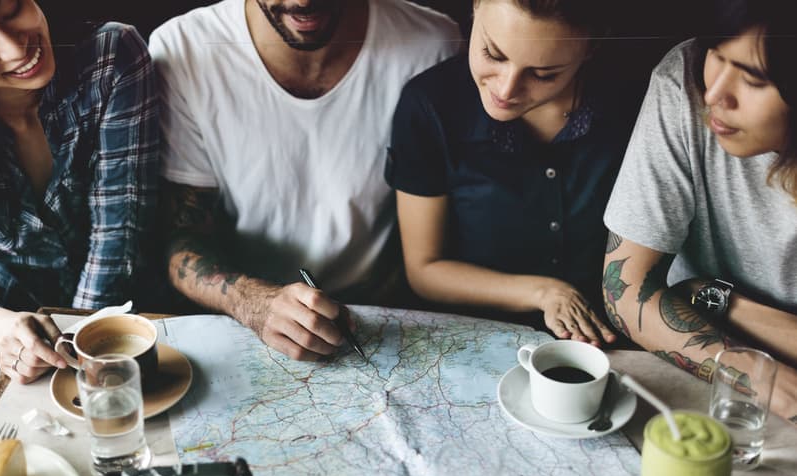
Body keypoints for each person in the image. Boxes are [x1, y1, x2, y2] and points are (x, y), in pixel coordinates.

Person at [149, 0, 460, 362]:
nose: (303, 2)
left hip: (383, 324)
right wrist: (256, 303)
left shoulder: (432, 44)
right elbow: (180, 239)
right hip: (245, 323)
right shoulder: (184, 48)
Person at [0, 0, 159, 444]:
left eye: (11, 9)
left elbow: (117, 238)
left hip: (109, 319)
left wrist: (70, 350)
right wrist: (4, 329)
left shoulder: (111, 55)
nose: (14, 47)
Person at [386, 0, 641, 345]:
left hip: (606, 344)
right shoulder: (430, 105)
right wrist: (545, 293)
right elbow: (425, 270)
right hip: (476, 340)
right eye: (493, 54)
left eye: (543, 74)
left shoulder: (634, 101)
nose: (505, 91)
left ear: (591, 48)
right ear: (476, 6)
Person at [602, 0, 797, 422]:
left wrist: (718, 300)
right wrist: (753, 374)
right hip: (720, 391)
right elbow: (624, 290)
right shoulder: (684, 77)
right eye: (717, 55)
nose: (713, 95)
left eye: (754, 79)